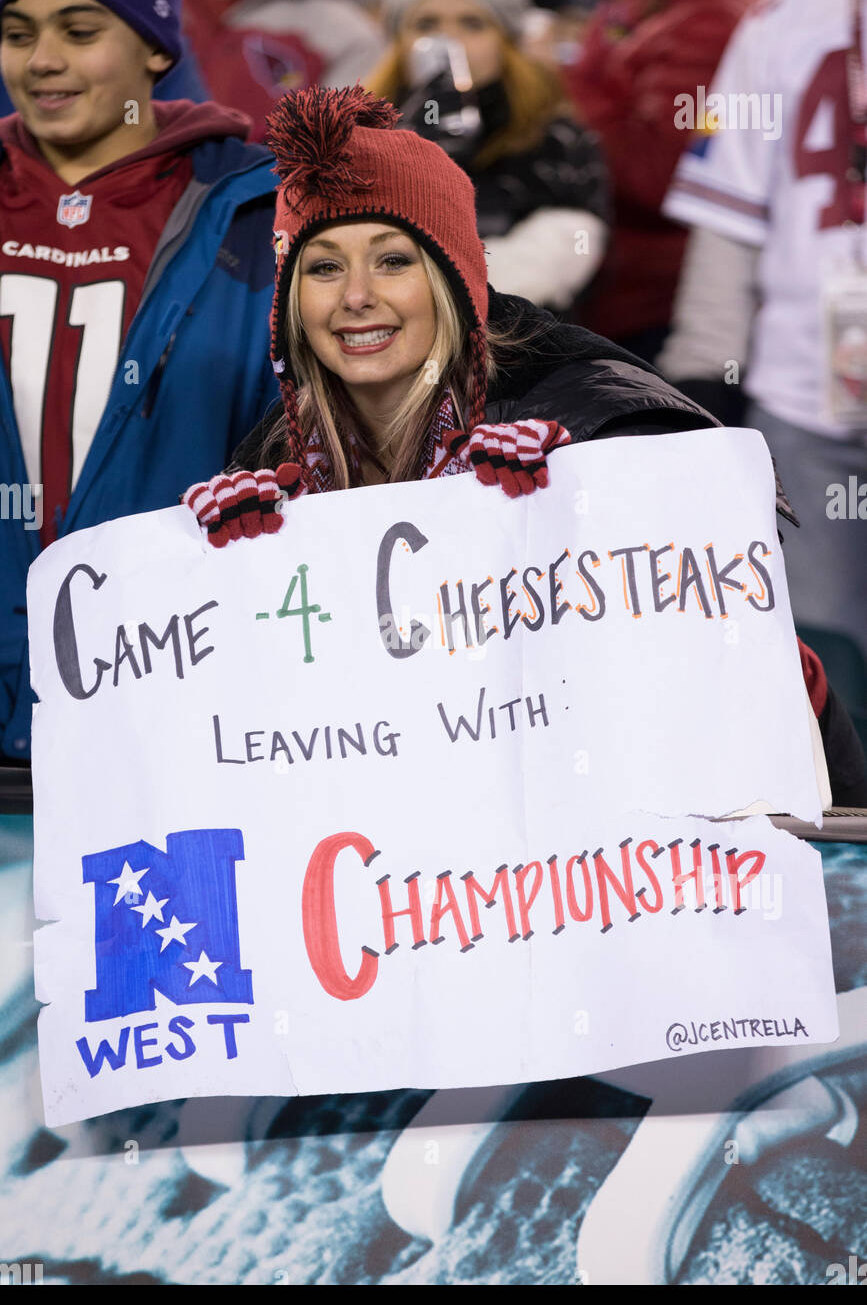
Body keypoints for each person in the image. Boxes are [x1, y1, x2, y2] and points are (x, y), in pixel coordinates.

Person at [182, 84, 867, 805]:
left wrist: (581, 511)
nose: (355, 296)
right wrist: (228, 580)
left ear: (454, 278)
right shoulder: (271, 469)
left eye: (392, 261)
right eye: (323, 267)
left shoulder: (601, 428)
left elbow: (753, 674)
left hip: (596, 873)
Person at [0, 0, 280, 762]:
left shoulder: (260, 209)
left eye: (79, 30)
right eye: (17, 34)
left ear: (157, 47)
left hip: (169, 697)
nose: (42, 60)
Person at [658, 0, 867, 682]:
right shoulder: (782, 18)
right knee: (817, 658)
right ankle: (847, 797)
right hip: (802, 392)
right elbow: (727, 221)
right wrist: (699, 377)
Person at [364, 0, 608, 313]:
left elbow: (552, 263)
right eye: (426, 25)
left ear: (506, 40)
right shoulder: (365, 135)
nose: (449, 40)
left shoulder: (553, 137)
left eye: (472, 24)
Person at [566, 0, 764, 360]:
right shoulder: (647, 2)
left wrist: (567, 88)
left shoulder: (713, 19)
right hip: (617, 293)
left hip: (652, 307)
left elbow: (661, 177)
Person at [183, 0, 386, 143]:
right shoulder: (173, 9)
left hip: (277, 188)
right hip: (188, 184)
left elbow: (339, 141)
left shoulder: (342, 29)